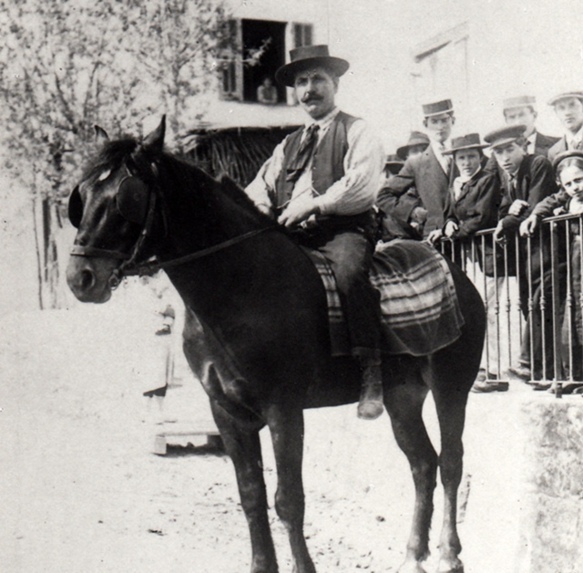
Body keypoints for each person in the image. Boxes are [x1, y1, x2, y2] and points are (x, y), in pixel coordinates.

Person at [245, 44, 385, 420]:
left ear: (335, 83)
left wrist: (314, 204)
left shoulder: (357, 130)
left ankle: (371, 372)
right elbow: (262, 184)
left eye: (318, 79)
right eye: (302, 82)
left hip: (344, 228)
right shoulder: (288, 144)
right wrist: (259, 208)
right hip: (292, 233)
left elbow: (362, 182)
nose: (309, 89)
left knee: (351, 275)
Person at [485, 124, 558, 383]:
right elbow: (501, 210)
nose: (504, 157)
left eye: (509, 149)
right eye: (498, 152)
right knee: (531, 305)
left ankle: (532, 364)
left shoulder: (537, 164)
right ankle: (541, 373)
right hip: (527, 253)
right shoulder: (507, 176)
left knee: (542, 305)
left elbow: (533, 206)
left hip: (547, 249)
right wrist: (508, 214)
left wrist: (508, 220)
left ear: (523, 146)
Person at [432, 133, 505, 391]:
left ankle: (495, 371)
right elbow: (449, 214)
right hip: (469, 257)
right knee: (475, 311)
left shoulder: (487, 180)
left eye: (471, 156)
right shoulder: (456, 184)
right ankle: (481, 368)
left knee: (492, 311)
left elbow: (482, 217)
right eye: (461, 157)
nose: (466, 162)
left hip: (488, 256)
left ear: (479, 157)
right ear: (454, 159)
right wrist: (449, 223)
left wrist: (456, 231)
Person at [520, 149, 583, 391]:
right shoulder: (567, 199)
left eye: (579, 180)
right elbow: (550, 200)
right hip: (576, 265)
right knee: (571, 319)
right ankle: (573, 375)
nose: (575, 187)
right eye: (568, 183)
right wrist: (537, 214)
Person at [378, 99, 458, 243]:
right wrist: (413, 212)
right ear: (425, 124)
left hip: (470, 233)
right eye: (434, 122)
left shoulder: (467, 154)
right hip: (436, 238)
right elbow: (382, 196)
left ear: (453, 121)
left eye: (444, 120)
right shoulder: (416, 163)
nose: (440, 127)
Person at [377, 132, 429, 241]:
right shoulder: (398, 198)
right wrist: (412, 212)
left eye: (424, 150)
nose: (420, 155)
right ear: (407, 158)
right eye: (415, 151)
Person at [547, 91, 583, 162]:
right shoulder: (554, 152)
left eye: (572, 105)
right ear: (556, 112)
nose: (567, 113)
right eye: (561, 108)